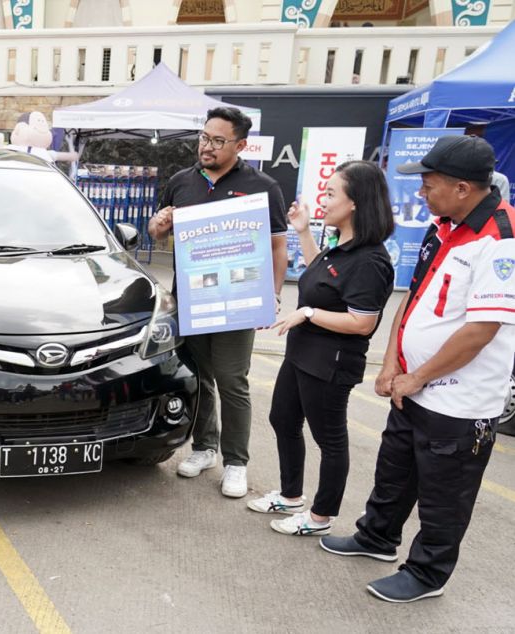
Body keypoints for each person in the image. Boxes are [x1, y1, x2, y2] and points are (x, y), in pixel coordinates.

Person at [319, 135, 515, 603]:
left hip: (458, 398)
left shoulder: (499, 241)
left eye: (428, 184)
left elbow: (481, 329)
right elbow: (413, 298)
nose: (421, 194)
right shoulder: (443, 225)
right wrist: (391, 362)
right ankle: (376, 538)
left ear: (464, 188)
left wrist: (419, 375)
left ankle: (427, 574)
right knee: (395, 469)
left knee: (445, 492)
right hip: (413, 384)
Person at [147, 106, 289, 498]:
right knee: (198, 376)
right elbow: (157, 234)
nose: (206, 146)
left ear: (241, 145)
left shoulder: (263, 187)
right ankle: (204, 447)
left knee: (232, 380)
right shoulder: (181, 181)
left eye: (218, 141)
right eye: (204, 137)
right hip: (190, 299)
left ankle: (236, 462)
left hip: (238, 299)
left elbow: (279, 247)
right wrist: (157, 227)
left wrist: (271, 295)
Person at [247, 161, 394, 536]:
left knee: (329, 439)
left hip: (331, 362)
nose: (323, 201)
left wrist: (308, 313)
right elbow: (324, 278)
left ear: (356, 202)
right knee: (283, 419)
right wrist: (303, 233)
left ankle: (320, 517)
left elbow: (363, 322)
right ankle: (291, 495)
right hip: (302, 354)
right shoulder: (340, 247)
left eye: (331, 194)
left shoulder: (371, 260)